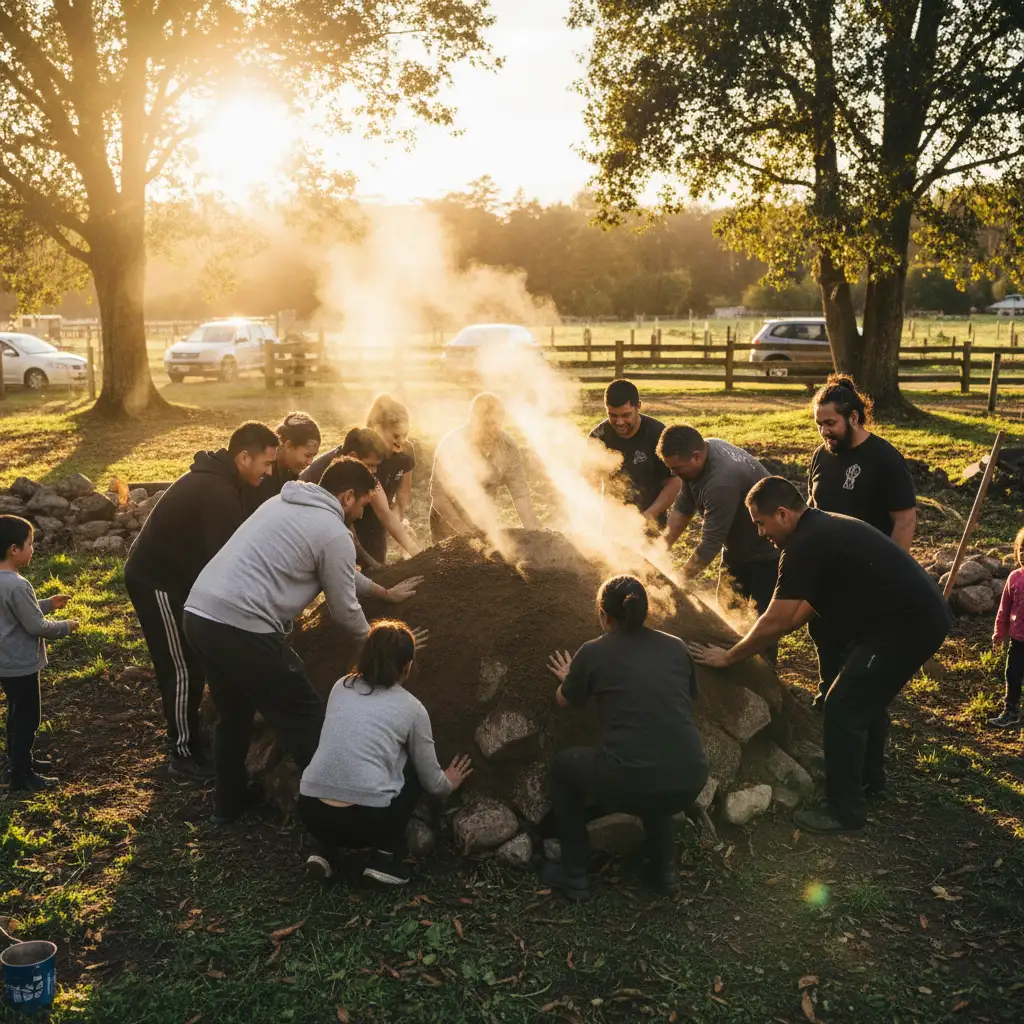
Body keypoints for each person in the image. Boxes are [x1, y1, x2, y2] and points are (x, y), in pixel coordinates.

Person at [689, 477, 952, 835]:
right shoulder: (821, 527)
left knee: (844, 705)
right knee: (864, 697)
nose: (761, 533)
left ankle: (845, 813)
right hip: (913, 616)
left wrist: (730, 657)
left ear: (782, 514)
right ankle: (870, 782)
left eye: (760, 523)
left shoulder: (805, 544)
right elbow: (799, 613)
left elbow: (777, 618)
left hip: (906, 625)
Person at [183, 458, 424, 824]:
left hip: (200, 615)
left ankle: (229, 804)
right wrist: (380, 643)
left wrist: (383, 593)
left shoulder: (281, 504)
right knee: (306, 715)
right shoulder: (333, 531)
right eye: (361, 504)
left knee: (233, 717)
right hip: (242, 627)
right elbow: (344, 611)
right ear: (346, 496)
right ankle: (336, 815)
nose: (361, 514)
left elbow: (338, 570)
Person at [124, 421, 279, 781]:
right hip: (157, 582)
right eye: (266, 464)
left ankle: (189, 737)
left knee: (191, 659)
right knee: (180, 666)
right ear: (243, 457)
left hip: (181, 579)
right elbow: (225, 561)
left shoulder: (225, 481)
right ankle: (181, 754)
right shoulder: (217, 492)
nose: (270, 472)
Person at [544, 575, 709, 900]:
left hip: (628, 778)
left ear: (604, 617)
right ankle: (666, 871)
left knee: (564, 768)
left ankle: (574, 872)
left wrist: (570, 678)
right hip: (690, 777)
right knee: (655, 765)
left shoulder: (593, 652)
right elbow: (686, 696)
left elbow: (564, 701)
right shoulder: (675, 647)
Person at [299, 620, 472, 885]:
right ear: (407, 667)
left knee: (344, 749)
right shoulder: (412, 708)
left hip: (311, 812)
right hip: (365, 823)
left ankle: (324, 852)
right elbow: (432, 782)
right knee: (411, 765)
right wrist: (448, 782)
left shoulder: (341, 687)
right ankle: (384, 858)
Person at [807, 375, 917, 709]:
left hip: (868, 572)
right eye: (818, 424)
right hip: (827, 570)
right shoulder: (821, 456)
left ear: (853, 417)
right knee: (823, 634)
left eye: (830, 423)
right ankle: (829, 690)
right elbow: (813, 508)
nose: (824, 431)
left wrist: (891, 572)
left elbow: (904, 519)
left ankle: (859, 703)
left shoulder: (884, 459)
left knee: (858, 641)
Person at [658, 425, 779, 658]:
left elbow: (710, 544)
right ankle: (731, 662)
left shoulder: (721, 482)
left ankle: (766, 680)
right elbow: (683, 508)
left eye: (677, 469)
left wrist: (677, 581)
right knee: (728, 615)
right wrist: (656, 552)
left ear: (696, 457)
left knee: (762, 624)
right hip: (736, 547)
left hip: (767, 552)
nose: (674, 474)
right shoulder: (702, 452)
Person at [0, 516, 79, 792]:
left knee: (15, 714)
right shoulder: (19, 585)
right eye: (30, 544)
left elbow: (14, 614)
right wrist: (67, 626)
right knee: (28, 720)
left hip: (4, 663)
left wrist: (47, 604)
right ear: (14, 549)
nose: (33, 549)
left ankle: (16, 761)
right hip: (22, 664)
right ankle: (21, 776)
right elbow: (35, 625)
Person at [302, 395, 416, 567]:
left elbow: (384, 511)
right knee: (337, 560)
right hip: (316, 514)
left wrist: (416, 552)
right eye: (396, 435)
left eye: (405, 435)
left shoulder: (374, 462)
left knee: (374, 561)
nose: (401, 442)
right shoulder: (348, 463)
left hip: (359, 511)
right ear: (376, 428)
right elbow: (342, 526)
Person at [428, 392, 539, 543]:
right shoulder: (452, 444)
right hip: (447, 523)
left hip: (483, 521)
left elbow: (519, 494)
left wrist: (534, 532)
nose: (491, 429)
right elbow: (439, 497)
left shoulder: (508, 447)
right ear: (472, 419)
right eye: (485, 424)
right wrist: (465, 534)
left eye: (495, 424)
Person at [588, 379, 681, 528]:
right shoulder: (598, 437)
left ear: (638, 406)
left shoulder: (658, 434)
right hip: (611, 523)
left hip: (652, 520)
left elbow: (674, 481)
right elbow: (588, 482)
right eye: (613, 415)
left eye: (626, 415)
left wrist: (649, 515)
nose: (619, 422)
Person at [326, 427, 421, 567]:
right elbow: (344, 530)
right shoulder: (328, 474)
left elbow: (385, 513)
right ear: (353, 456)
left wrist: (417, 553)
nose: (374, 471)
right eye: (371, 465)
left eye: (377, 466)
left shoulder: (365, 472)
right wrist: (372, 566)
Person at [245, 412, 322, 513]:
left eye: (313, 456)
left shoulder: (290, 471)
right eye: (307, 455)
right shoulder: (261, 470)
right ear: (289, 445)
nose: (310, 462)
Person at [989, 526, 1024, 728]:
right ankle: (1010, 711)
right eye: (1022, 549)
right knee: (1012, 675)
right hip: (1018, 641)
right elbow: (1004, 609)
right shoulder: (1015, 578)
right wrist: (999, 634)